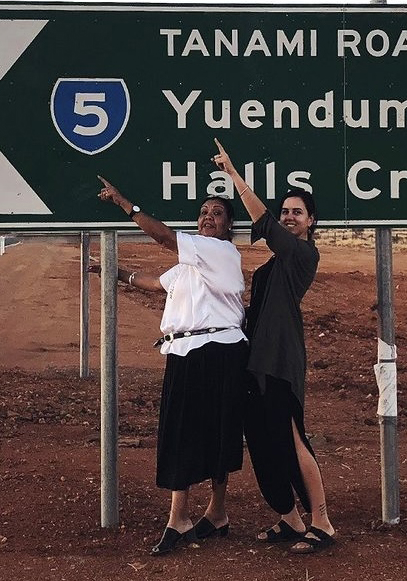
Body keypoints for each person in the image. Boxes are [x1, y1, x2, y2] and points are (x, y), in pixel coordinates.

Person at [90, 175, 248, 556]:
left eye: (218, 213)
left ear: (229, 226)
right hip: (187, 353)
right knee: (195, 432)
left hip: (216, 350)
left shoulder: (220, 253)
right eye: (204, 212)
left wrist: (125, 203)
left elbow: (162, 237)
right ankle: (216, 514)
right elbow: (157, 283)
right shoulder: (191, 264)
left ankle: (181, 518)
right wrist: (115, 272)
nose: (208, 216)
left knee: (203, 433)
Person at [212, 139, 336, 554]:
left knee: (291, 436)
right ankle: (289, 519)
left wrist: (233, 174)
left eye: (296, 213)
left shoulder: (302, 255)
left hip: (280, 358)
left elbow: (263, 222)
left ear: (311, 222)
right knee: (262, 441)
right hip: (255, 359)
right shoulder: (272, 264)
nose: (288, 217)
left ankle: (322, 522)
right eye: (286, 211)